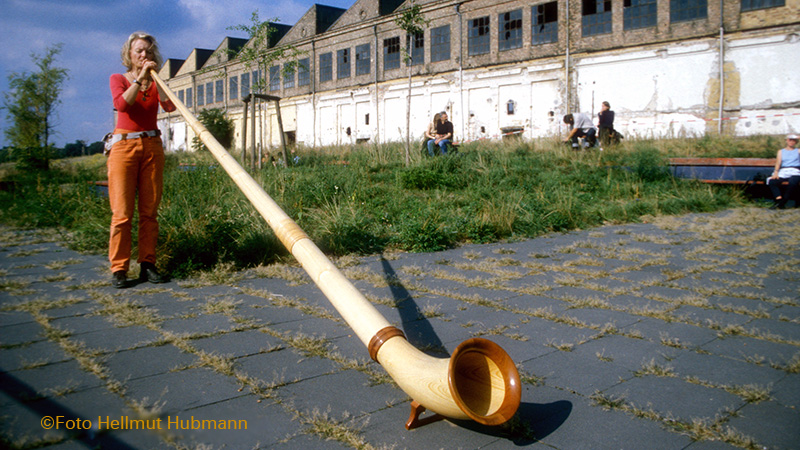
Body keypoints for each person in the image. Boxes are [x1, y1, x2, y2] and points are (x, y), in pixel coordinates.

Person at [107, 32, 176, 288]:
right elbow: (122, 106)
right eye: (138, 51)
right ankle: (119, 269)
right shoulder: (119, 79)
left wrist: (157, 81)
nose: (143, 55)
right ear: (129, 54)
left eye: (147, 51)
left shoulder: (155, 81)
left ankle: (147, 264)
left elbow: (170, 107)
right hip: (124, 146)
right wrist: (140, 79)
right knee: (122, 212)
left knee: (149, 212)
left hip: (152, 145)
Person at [767, 133, 800, 209]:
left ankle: (783, 201)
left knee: (793, 182)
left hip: (795, 170)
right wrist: (776, 172)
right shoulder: (781, 151)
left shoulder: (798, 151)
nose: (791, 142)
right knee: (772, 181)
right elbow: (778, 163)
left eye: (794, 140)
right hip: (784, 170)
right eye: (790, 140)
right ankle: (779, 200)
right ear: (786, 141)